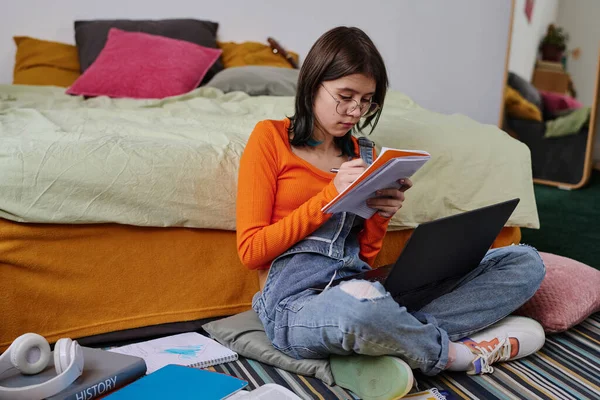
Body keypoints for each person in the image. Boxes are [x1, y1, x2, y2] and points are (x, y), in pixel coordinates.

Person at [236, 26, 546, 400]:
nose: (355, 111)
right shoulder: (269, 138)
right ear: (313, 84)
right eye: (345, 96)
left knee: (525, 262)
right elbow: (251, 251)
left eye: (366, 100)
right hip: (294, 305)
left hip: (363, 287)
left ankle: (392, 340)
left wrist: (381, 214)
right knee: (360, 311)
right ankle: (450, 353)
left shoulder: (365, 155)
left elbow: (363, 258)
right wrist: (328, 196)